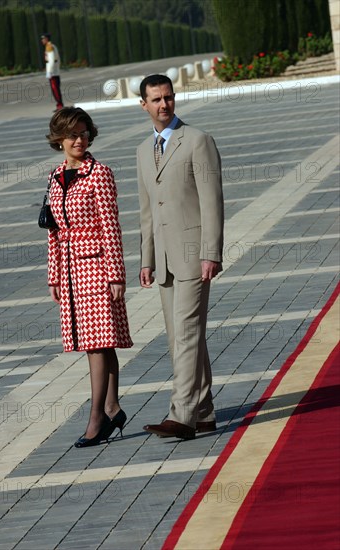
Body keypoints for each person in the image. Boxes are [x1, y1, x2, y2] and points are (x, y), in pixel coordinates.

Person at [137, 74, 224, 440]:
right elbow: (146, 210)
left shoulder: (198, 141)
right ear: (143, 104)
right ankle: (203, 410)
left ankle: (182, 415)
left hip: (193, 256)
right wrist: (147, 259)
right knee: (181, 338)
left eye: (168, 97)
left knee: (187, 335)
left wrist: (211, 252)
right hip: (166, 263)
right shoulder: (143, 150)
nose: (164, 105)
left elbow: (211, 200)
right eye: (156, 99)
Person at [46, 106, 133, 448]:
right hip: (69, 271)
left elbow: (112, 228)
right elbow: (52, 231)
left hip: (96, 268)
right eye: (72, 135)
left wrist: (115, 274)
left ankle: (96, 416)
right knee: (97, 345)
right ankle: (112, 407)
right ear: (59, 140)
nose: (79, 140)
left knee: (97, 345)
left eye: (83, 133)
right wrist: (54, 274)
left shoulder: (100, 174)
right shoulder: (55, 177)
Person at [41, 33, 64, 111]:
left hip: (53, 73)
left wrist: (49, 72)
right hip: (55, 71)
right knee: (56, 89)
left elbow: (51, 60)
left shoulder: (49, 47)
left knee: (55, 89)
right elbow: (58, 59)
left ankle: (60, 105)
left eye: (43, 39)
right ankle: (59, 105)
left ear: (46, 39)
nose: (42, 41)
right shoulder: (52, 46)